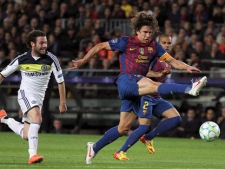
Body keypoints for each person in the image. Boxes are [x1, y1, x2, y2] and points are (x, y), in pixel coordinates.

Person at [70, 12, 207, 164]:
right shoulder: (126, 42)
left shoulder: (154, 47)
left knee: (123, 128)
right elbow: (100, 45)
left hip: (136, 89)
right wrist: (84, 60)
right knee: (154, 86)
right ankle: (190, 88)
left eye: (150, 32)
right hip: (126, 80)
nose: (148, 35)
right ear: (137, 31)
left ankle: (94, 148)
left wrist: (187, 67)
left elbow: (172, 60)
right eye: (145, 32)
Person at [0, 30, 67, 164]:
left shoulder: (51, 59)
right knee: (37, 117)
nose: (44, 46)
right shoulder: (21, 59)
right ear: (32, 44)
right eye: (41, 43)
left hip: (38, 99)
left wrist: (63, 102)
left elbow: (61, 81)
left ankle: (4, 118)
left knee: (27, 135)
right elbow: (2, 75)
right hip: (25, 94)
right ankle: (32, 155)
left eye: (46, 42)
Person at [113, 34, 182, 160]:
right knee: (142, 126)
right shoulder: (153, 57)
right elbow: (142, 72)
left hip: (156, 97)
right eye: (164, 43)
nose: (167, 45)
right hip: (145, 96)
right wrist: (159, 73)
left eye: (169, 43)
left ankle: (148, 138)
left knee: (176, 118)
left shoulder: (168, 62)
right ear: (158, 44)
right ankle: (121, 151)